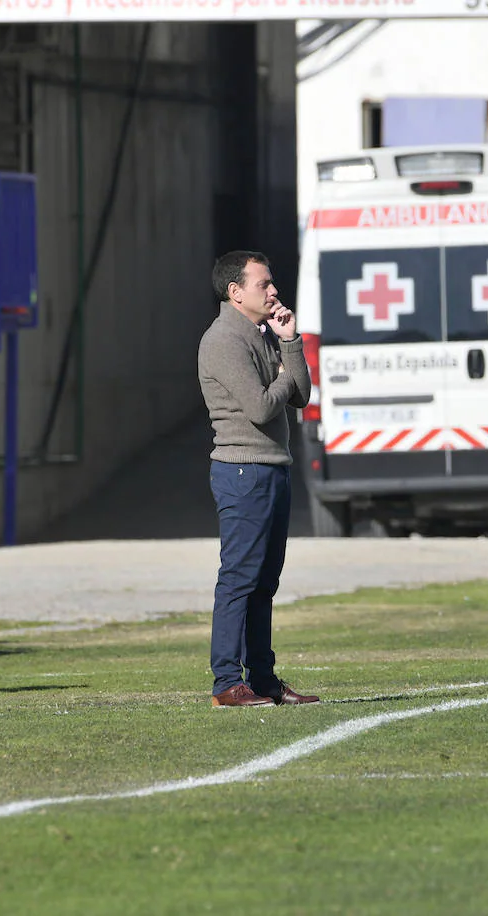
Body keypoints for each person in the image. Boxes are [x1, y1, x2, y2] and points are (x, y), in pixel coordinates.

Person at [196, 250, 318, 707]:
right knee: (239, 579)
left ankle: (263, 679)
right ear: (235, 292)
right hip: (243, 470)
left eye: (272, 283)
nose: (273, 291)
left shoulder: (263, 334)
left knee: (265, 581)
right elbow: (263, 407)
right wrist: (285, 375)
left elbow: (300, 395)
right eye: (263, 284)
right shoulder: (224, 341)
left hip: (272, 468)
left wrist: (290, 342)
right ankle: (227, 682)